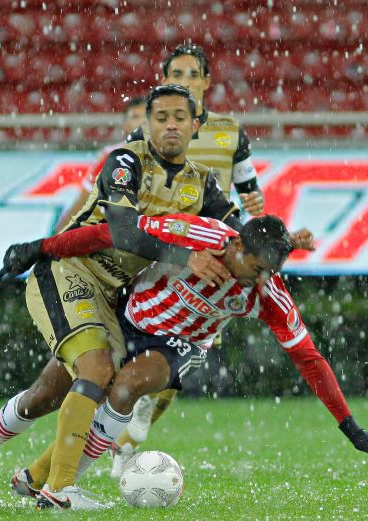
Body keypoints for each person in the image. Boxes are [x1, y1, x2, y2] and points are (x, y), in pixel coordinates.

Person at [0, 84, 242, 509]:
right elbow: (123, 232)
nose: (170, 125)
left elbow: (238, 238)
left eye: (180, 117)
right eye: (161, 118)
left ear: (196, 125)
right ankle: (60, 489)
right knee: (96, 371)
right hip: (71, 271)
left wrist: (273, 244)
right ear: (147, 124)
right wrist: (186, 256)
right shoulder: (125, 161)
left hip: (115, 294)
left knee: (49, 394)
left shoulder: (203, 183)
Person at [3, 214, 368, 487]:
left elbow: (309, 359)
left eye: (270, 272)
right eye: (257, 268)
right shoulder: (198, 234)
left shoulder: (268, 295)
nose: (261, 279)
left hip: (180, 344)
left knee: (124, 388)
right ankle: (13, 472)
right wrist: (42, 247)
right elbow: (115, 233)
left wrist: (349, 426)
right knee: (47, 394)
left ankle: (63, 486)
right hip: (127, 315)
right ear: (237, 245)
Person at [114, 42, 271, 470]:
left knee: (178, 364)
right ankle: (110, 430)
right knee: (137, 353)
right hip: (157, 254)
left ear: (206, 82)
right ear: (164, 81)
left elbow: (249, 193)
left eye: (192, 75)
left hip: (211, 263)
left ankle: (128, 435)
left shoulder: (230, 132)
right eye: (176, 75)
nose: (184, 82)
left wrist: (256, 208)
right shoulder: (146, 134)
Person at [55, 96, 147, 233]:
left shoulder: (170, 154)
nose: (141, 122)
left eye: (146, 116)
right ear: (125, 125)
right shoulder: (111, 156)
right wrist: (59, 235)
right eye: (135, 117)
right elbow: (84, 200)